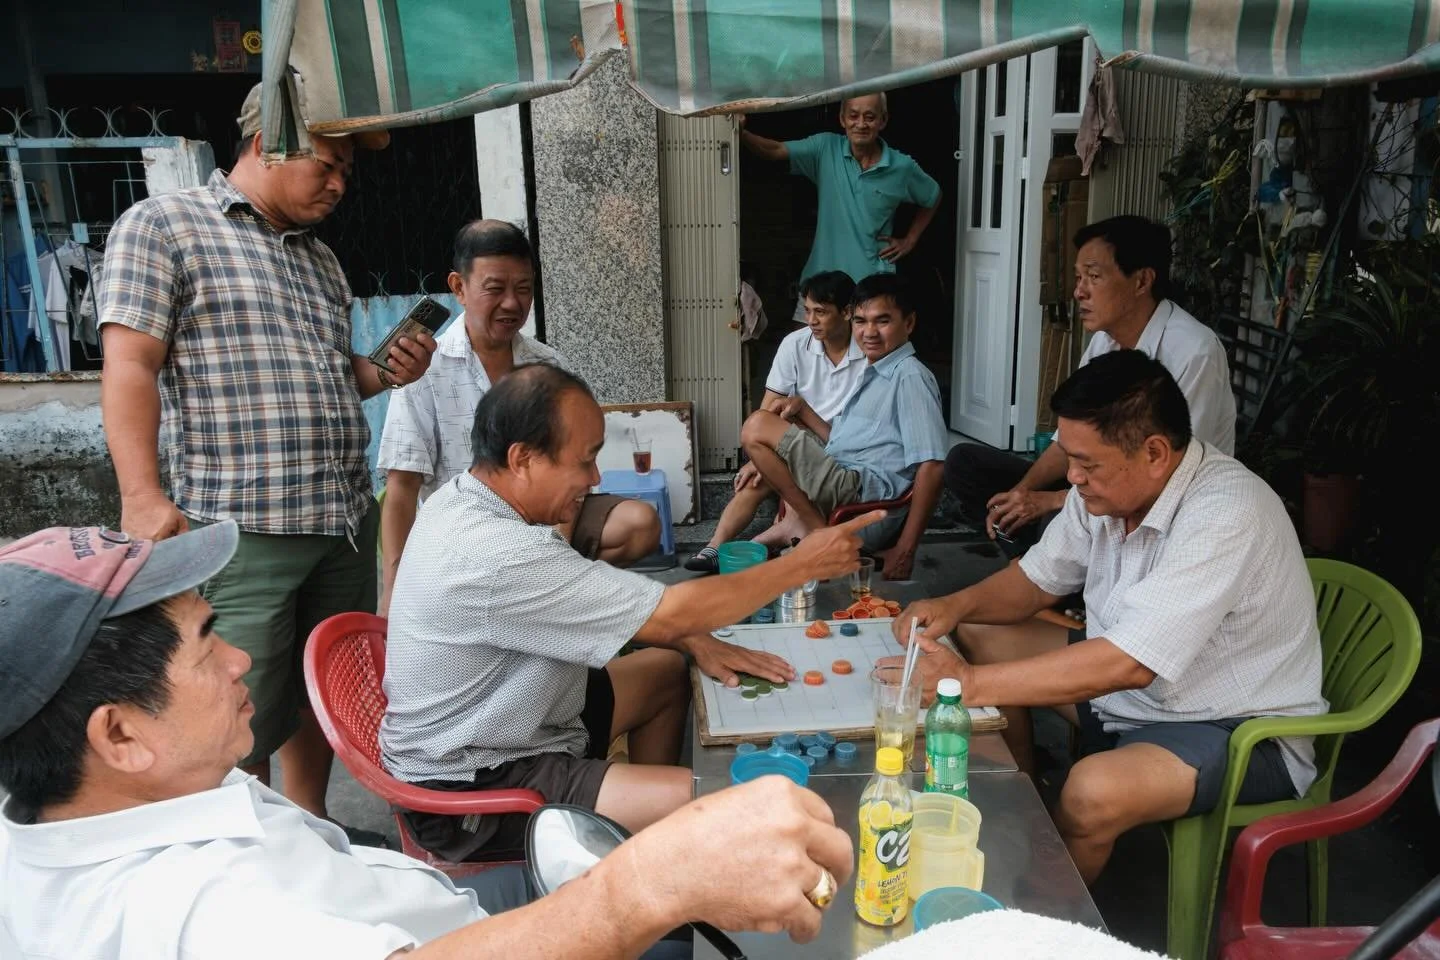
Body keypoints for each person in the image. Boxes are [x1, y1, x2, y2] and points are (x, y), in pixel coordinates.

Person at [0, 522, 854, 960]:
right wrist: (642, 887)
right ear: (118, 734)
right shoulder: (195, 914)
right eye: (204, 644)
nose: (239, 660)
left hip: (427, 888)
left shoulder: (129, 795)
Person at [96, 83, 434, 837]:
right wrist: (141, 495)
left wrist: (385, 370)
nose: (341, 183)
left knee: (325, 691)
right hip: (242, 527)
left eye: (349, 170)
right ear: (265, 144)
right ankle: (245, 846)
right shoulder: (164, 226)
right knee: (234, 698)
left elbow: (330, 373)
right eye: (330, 163)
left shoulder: (320, 261)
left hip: (341, 520)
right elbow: (130, 365)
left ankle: (312, 823)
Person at [382, 363, 883, 862]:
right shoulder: (497, 551)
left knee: (666, 669)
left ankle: (639, 838)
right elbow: (672, 612)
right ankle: (651, 851)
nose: (595, 478)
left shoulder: (466, 497)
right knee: (728, 804)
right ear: (523, 459)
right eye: (585, 461)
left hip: (516, 717)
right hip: (478, 781)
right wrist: (800, 563)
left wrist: (689, 636)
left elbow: (651, 615)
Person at [888, 350, 1324, 884]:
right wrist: (951, 605)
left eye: (1087, 464)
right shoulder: (1103, 491)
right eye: (1071, 458)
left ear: (1156, 453)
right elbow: (1033, 583)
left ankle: (1042, 918)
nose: (1072, 477)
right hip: (1137, 696)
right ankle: (1025, 807)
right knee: (976, 632)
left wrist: (968, 684)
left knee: (1091, 792)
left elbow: (1130, 663)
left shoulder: (1226, 512)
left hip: (1234, 725)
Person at [377, 219, 660, 615]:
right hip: (463, 544)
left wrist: (554, 553)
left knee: (640, 523)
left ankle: (550, 602)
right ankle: (539, 603)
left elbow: (573, 472)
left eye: (523, 289)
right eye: (495, 289)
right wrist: (394, 587)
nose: (512, 303)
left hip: (545, 525)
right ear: (459, 287)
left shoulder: (547, 363)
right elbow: (402, 487)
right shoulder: (424, 369)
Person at [944, 215, 1237, 556]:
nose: (1078, 291)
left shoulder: (1194, 352)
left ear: (1142, 281)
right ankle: (1039, 555)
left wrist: (1051, 501)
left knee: (1057, 521)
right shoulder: (1105, 341)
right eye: (1079, 277)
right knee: (964, 463)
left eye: (1094, 277)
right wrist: (1023, 492)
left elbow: (1168, 474)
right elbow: (1066, 439)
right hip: (1095, 478)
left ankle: (1048, 568)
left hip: (1158, 498)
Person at [684, 273, 947, 581]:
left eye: (882, 321)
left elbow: (933, 466)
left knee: (757, 426)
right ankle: (739, 547)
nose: (869, 332)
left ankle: (816, 530)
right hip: (840, 473)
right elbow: (841, 442)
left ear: (909, 323)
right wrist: (784, 438)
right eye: (861, 321)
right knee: (762, 454)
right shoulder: (876, 370)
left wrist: (906, 549)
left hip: (860, 494)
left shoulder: (909, 376)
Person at [686, 269, 865, 567]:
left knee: (768, 469)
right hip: (795, 438)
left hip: (839, 447)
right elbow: (767, 409)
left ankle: (800, 531)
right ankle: (714, 547)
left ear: (847, 312)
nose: (811, 321)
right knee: (756, 477)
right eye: (807, 311)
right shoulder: (795, 344)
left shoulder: (867, 351)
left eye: (821, 312)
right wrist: (757, 457)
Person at [740, 93, 942, 320]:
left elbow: (933, 196)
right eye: (853, 116)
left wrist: (910, 239)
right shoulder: (826, 148)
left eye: (870, 117)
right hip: (819, 281)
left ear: (883, 120)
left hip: (869, 287)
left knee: (863, 353)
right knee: (804, 350)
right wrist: (742, 132)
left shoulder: (902, 167)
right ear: (842, 119)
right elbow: (774, 150)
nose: (861, 124)